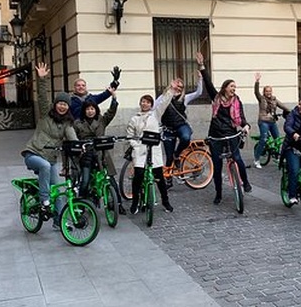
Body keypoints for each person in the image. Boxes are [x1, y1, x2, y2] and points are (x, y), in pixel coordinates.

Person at [20, 63, 78, 220]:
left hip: (51, 158)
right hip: (33, 153)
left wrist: (81, 146)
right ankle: (44, 200)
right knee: (44, 166)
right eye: (60, 103)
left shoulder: (67, 123)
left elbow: (72, 137)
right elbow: (42, 97)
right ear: (55, 104)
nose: (62, 106)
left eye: (65, 104)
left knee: (58, 192)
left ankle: (59, 221)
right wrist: (42, 79)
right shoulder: (46, 114)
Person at [198, 51, 252, 205]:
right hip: (215, 135)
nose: (234, 88)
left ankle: (246, 183)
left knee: (238, 159)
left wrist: (246, 125)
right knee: (217, 165)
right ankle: (218, 193)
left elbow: (240, 116)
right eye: (231, 86)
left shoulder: (236, 101)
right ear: (225, 88)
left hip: (230, 134)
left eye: (235, 86)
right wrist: (202, 66)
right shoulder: (216, 97)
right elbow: (208, 83)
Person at [126, 79, 182, 214]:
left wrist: (171, 90)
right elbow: (130, 136)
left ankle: (166, 201)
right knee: (138, 176)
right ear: (140, 103)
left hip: (154, 149)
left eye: (147, 102)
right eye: (143, 101)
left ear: (151, 104)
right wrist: (136, 146)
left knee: (159, 178)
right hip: (140, 150)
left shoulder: (155, 115)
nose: (145, 104)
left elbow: (164, 102)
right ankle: (135, 202)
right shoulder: (134, 119)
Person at [73, 92, 124, 214]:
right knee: (85, 181)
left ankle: (117, 204)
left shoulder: (101, 120)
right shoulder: (77, 123)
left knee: (111, 180)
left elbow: (111, 112)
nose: (90, 111)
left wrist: (114, 98)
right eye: (88, 109)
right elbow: (73, 139)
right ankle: (81, 204)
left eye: (92, 109)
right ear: (84, 111)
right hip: (86, 155)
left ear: (96, 110)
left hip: (102, 154)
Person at [161, 72, 203, 170]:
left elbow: (198, 93)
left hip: (181, 126)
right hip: (168, 129)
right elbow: (154, 107)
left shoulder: (184, 98)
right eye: (176, 86)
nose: (178, 88)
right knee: (169, 157)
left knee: (185, 137)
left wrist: (200, 79)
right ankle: (168, 179)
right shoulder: (164, 97)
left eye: (181, 87)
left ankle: (177, 154)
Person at [253, 73, 290, 169]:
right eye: (266, 91)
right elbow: (256, 92)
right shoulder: (261, 99)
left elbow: (282, 105)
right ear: (264, 92)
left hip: (272, 121)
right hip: (263, 121)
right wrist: (257, 82)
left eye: (270, 91)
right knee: (263, 140)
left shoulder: (274, 99)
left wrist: (292, 111)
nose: (268, 93)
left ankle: (277, 157)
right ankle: (256, 159)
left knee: (277, 139)